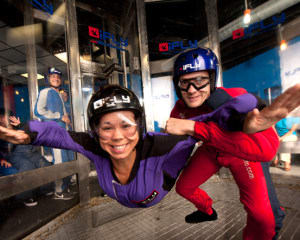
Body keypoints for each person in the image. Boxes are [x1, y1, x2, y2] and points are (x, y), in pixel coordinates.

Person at [0, 84, 284, 209]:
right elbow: (55, 134)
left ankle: (207, 208)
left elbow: (215, 117)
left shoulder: (163, 145)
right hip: (130, 195)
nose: (117, 137)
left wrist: (249, 113)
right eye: (107, 127)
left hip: (165, 178)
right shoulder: (95, 144)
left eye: (127, 125)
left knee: (204, 147)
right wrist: (25, 133)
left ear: (141, 125)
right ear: (95, 131)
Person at [165, 47, 300, 240]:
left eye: (199, 81)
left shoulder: (230, 97)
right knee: (184, 187)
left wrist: (196, 128)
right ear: (177, 85)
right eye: (185, 83)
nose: (192, 90)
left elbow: (266, 153)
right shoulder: (180, 110)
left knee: (263, 218)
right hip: (212, 151)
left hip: (241, 153)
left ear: (211, 80)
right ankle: (208, 211)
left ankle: (271, 221)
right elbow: (177, 145)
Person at [34, 67, 73, 200]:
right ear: (48, 79)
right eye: (52, 77)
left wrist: (67, 120)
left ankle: (64, 187)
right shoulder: (45, 91)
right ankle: (58, 191)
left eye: (57, 77)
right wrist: (59, 116)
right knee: (60, 161)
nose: (56, 79)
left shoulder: (59, 94)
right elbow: (38, 111)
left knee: (67, 160)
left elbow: (64, 114)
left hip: (63, 133)